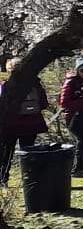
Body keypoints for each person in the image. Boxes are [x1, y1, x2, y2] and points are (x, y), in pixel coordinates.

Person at [0, 58, 52, 186]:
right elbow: (44, 103)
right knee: (28, 152)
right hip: (31, 123)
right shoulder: (35, 84)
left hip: (10, 124)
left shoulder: (6, 85)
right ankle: (29, 179)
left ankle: (3, 178)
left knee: (7, 152)